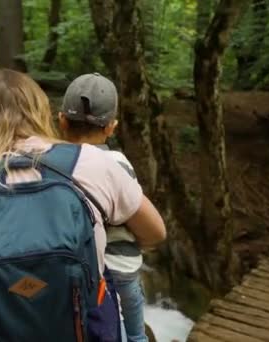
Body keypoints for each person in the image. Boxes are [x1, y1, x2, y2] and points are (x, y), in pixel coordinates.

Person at [0, 69, 165, 341]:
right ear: (41, 110)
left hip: (2, 326)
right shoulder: (94, 162)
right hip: (83, 325)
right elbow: (156, 231)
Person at [58, 73, 151, 342]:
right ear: (111, 127)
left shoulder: (53, 163)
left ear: (61, 120)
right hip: (123, 265)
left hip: (80, 273)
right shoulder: (118, 162)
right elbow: (130, 211)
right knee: (135, 322)